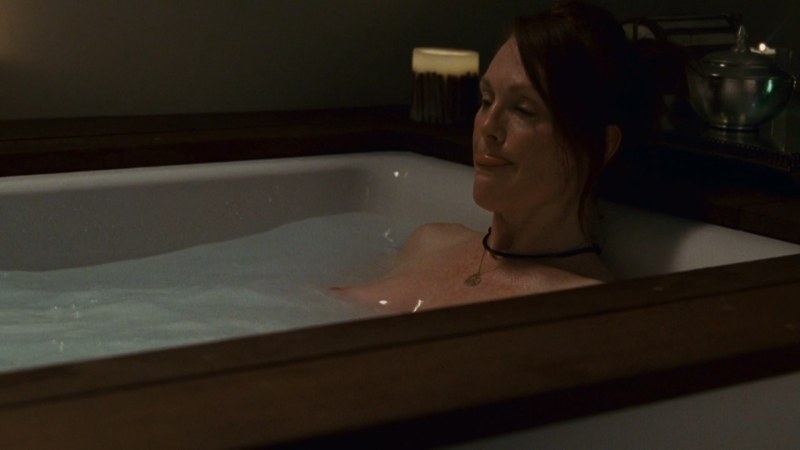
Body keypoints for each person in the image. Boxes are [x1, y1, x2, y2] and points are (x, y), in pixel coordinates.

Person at [333, 0, 647, 313]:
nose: (487, 126)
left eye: (523, 110)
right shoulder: (428, 242)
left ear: (602, 146)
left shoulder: (584, 308)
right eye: (486, 100)